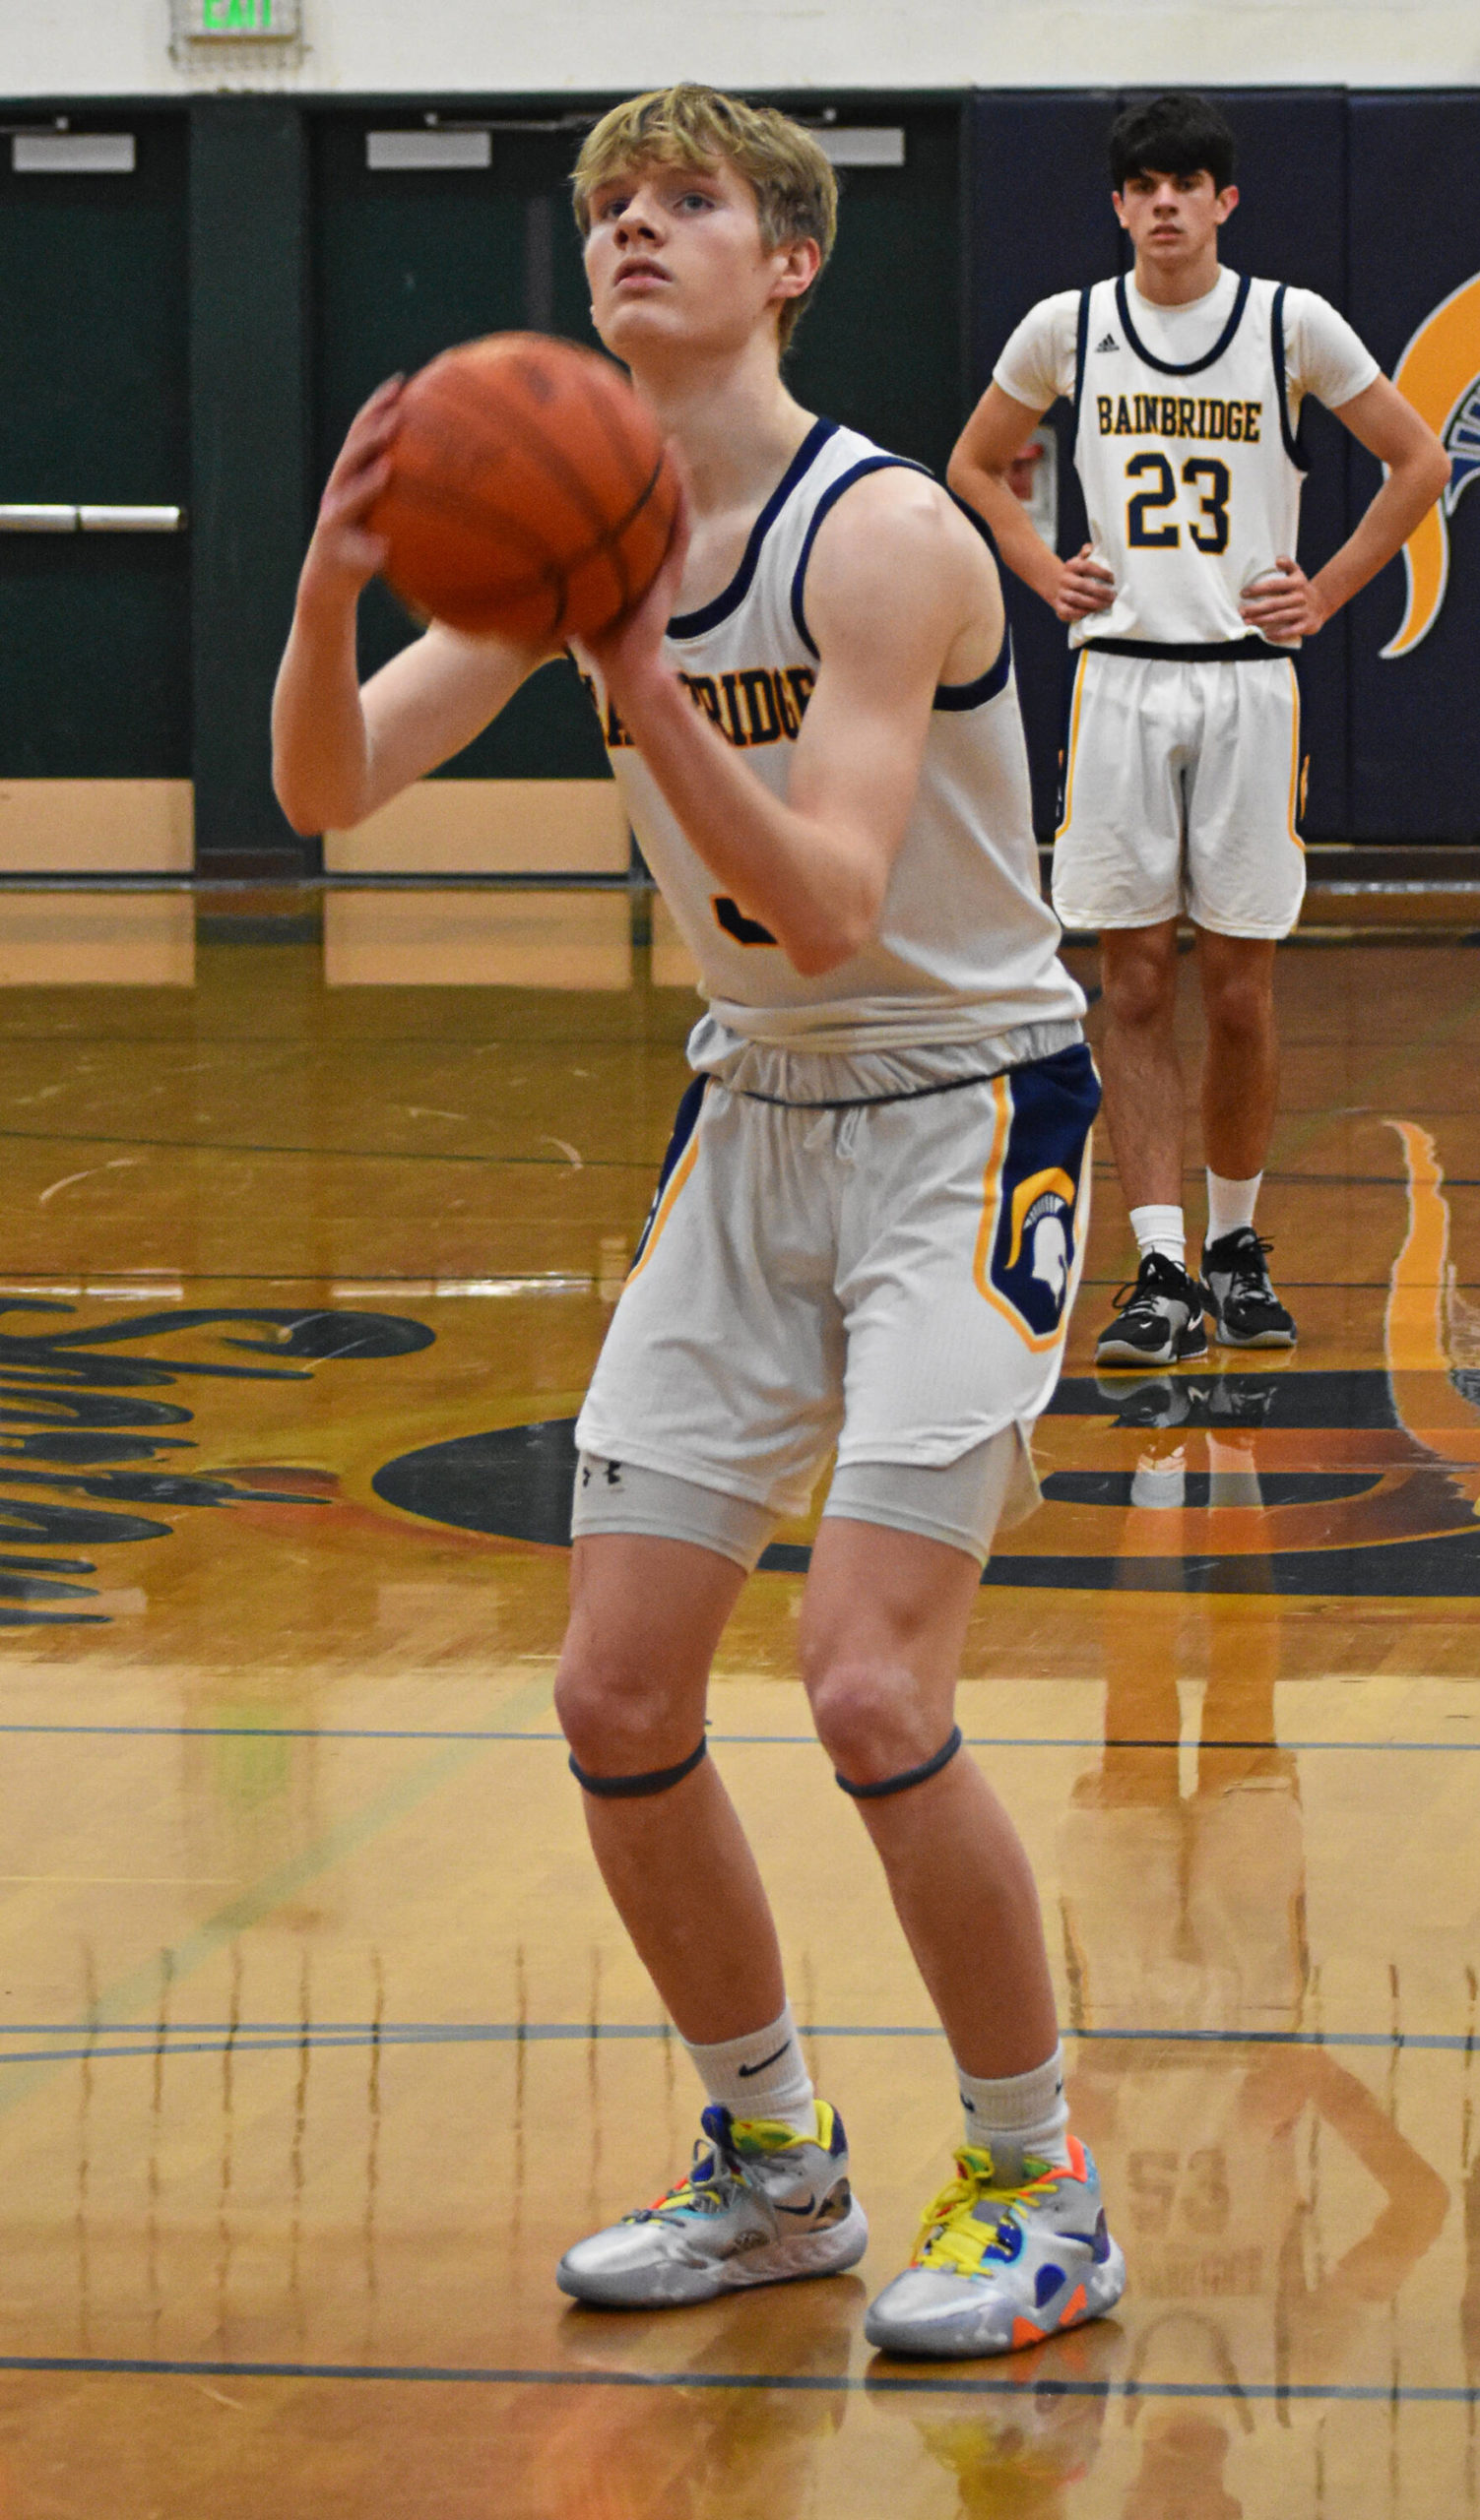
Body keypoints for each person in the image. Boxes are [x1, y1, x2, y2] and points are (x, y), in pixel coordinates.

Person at [272, 81, 1124, 2361]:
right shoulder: (589, 524)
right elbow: (328, 784)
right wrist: (336, 581)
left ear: (791, 258)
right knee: (614, 1685)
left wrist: (637, 672)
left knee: (866, 1679)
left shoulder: (883, 536)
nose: (632, 231)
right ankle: (772, 2162)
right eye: (607, 209)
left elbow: (832, 900)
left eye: (687, 200)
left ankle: (1037, 2183)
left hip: (965, 1111)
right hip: (749, 1113)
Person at [949, 91, 1450, 1371]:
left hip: (1245, 684)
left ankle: (1235, 1249)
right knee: (1131, 983)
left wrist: (1326, 590)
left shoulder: (1290, 323)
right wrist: (1038, 564)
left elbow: (1420, 461)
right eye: (1145, 185)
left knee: (1238, 991)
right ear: (1119, 205)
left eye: (1187, 183)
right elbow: (972, 464)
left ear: (1225, 200)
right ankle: (1162, 1267)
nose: (1165, 203)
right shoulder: (1068, 327)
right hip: (1120, 678)